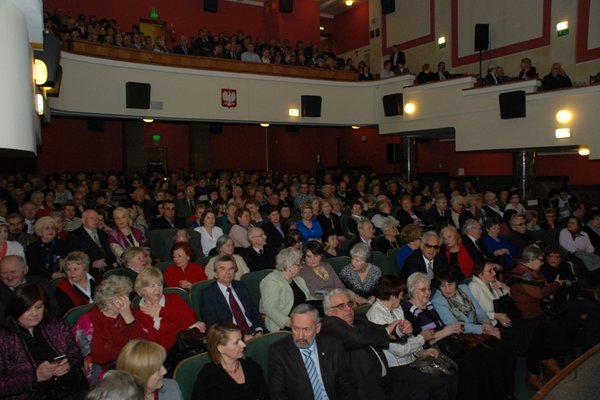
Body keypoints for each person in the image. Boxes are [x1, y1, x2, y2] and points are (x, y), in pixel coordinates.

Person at [402, 272, 508, 399]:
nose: (427, 293)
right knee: (471, 367)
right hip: (433, 351)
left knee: (485, 358)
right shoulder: (408, 312)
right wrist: (446, 331)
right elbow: (421, 343)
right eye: (422, 290)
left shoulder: (429, 305)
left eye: (429, 289)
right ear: (412, 291)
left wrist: (451, 330)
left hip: (450, 343)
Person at [366, 275, 458, 400]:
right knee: (433, 386)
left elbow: (407, 339)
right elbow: (399, 350)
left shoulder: (396, 308)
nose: (402, 297)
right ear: (392, 297)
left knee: (449, 376)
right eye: (400, 295)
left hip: (410, 359)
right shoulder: (376, 316)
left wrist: (422, 352)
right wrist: (422, 338)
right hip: (396, 367)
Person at [0, 283, 88, 399]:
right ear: (16, 309)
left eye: (39, 307)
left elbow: (76, 355)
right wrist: (35, 377)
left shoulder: (57, 326)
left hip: (70, 390)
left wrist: (69, 364)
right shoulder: (4, 340)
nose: (34, 314)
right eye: (27, 309)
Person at [506, 245, 575, 388]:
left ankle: (546, 367)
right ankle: (543, 369)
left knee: (555, 333)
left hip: (537, 314)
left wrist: (551, 287)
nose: (542, 262)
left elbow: (544, 288)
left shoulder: (532, 272)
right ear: (531, 259)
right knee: (545, 336)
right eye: (540, 260)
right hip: (526, 318)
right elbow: (540, 293)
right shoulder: (520, 274)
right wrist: (557, 284)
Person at [320, 288, 398, 400]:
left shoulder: (360, 318)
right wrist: (386, 332)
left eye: (350, 303)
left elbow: (380, 330)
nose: (348, 309)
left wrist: (399, 329)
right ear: (328, 312)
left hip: (385, 380)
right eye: (341, 306)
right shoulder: (328, 324)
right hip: (361, 389)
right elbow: (357, 338)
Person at [268, 304, 357, 400]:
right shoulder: (279, 352)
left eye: (306, 329)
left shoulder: (333, 346)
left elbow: (347, 385)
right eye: (296, 329)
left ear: (317, 328)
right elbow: (277, 394)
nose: (300, 336)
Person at [74, 275, 147, 380]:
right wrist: (130, 349)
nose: (129, 302)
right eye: (124, 298)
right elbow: (99, 357)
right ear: (108, 302)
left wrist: (129, 318)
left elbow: (144, 346)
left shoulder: (128, 312)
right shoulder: (90, 320)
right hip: (104, 372)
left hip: (132, 364)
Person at [542, 245, 600, 350]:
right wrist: (561, 284)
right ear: (546, 258)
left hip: (573, 302)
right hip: (558, 305)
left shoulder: (566, 266)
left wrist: (581, 307)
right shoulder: (543, 270)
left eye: (557, 257)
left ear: (561, 258)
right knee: (590, 305)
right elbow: (555, 292)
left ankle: (590, 350)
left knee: (592, 319)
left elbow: (575, 288)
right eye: (550, 256)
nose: (553, 259)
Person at [193, 322, 269, 399]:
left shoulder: (251, 366)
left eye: (241, 339)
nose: (243, 345)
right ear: (220, 348)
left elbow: (266, 397)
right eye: (236, 342)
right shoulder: (209, 374)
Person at [134, 268, 205, 351]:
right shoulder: (138, 314)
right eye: (152, 286)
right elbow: (152, 344)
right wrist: (185, 330)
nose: (157, 289)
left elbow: (191, 319)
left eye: (159, 285)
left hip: (184, 351)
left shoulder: (174, 298)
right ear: (142, 290)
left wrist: (162, 311)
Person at [199, 255, 265, 338]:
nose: (228, 272)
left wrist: (259, 330)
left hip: (254, 332)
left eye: (231, 268)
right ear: (215, 273)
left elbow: (254, 311)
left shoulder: (241, 286)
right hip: (230, 338)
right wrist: (240, 338)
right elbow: (214, 325)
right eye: (222, 269)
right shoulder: (208, 294)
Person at [259, 247, 314, 332]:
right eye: (298, 264)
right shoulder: (271, 281)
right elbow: (269, 308)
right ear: (289, 266)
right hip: (284, 325)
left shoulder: (299, 280)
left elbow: (309, 300)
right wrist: (291, 323)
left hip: (304, 320)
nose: (301, 267)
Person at [117, 340, 183, 400]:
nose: (165, 371)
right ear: (140, 375)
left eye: (162, 365)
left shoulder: (172, 387)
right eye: (158, 369)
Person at [68, 209, 118, 278]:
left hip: (109, 269)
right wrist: (92, 264)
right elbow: (75, 258)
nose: (95, 220)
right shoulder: (75, 235)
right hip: (90, 273)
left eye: (97, 218)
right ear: (83, 220)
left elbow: (109, 251)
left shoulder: (102, 233)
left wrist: (113, 261)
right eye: (92, 218)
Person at [25, 216, 67, 280]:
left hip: (62, 278)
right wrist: (50, 275)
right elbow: (33, 268)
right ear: (39, 231)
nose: (51, 230)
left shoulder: (63, 244)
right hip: (41, 280)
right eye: (47, 228)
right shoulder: (32, 248)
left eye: (53, 228)